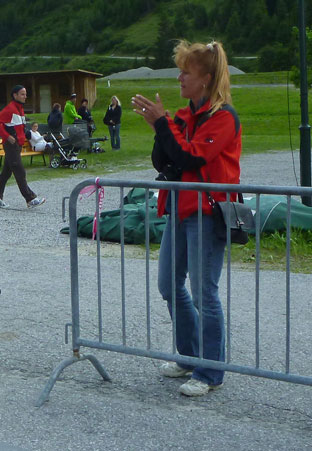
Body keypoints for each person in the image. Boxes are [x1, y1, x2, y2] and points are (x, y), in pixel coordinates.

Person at [132, 40, 240, 397]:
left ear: (205, 79)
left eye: (185, 72)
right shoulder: (182, 116)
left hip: (207, 213)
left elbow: (191, 157)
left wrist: (164, 126)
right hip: (179, 208)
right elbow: (164, 160)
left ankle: (211, 371)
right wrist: (161, 126)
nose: (179, 78)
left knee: (204, 293)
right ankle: (190, 355)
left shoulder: (223, 118)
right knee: (169, 285)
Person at [0, 85, 45, 209]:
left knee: (6, 172)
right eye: (22, 94)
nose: (25, 96)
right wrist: (7, 136)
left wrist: (28, 135)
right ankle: (30, 198)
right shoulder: (10, 109)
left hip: (17, 145)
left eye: (25, 94)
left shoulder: (20, 109)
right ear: (15, 95)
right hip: (11, 145)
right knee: (20, 171)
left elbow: (20, 128)